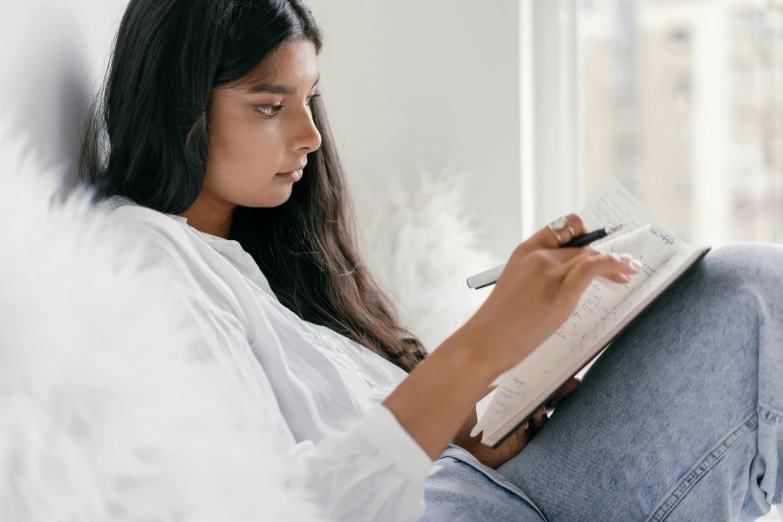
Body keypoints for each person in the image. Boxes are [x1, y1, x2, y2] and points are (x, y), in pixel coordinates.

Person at [81, 0, 783, 520]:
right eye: (270, 106)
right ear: (182, 111)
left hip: (480, 488)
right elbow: (268, 503)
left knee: (748, 292)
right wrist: (481, 346)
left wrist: (479, 420)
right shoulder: (143, 253)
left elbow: (365, 438)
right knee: (752, 297)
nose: (309, 136)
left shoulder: (266, 270)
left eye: (309, 100)